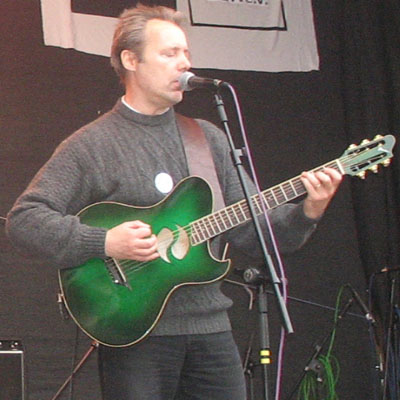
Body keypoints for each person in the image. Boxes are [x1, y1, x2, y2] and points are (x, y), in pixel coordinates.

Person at [6, 4, 342, 400]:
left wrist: (308, 210)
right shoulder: (92, 144)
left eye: (186, 53)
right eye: (169, 54)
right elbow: (24, 221)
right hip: (134, 331)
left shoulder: (206, 138)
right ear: (130, 60)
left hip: (211, 330)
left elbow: (254, 231)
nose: (184, 64)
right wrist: (105, 242)